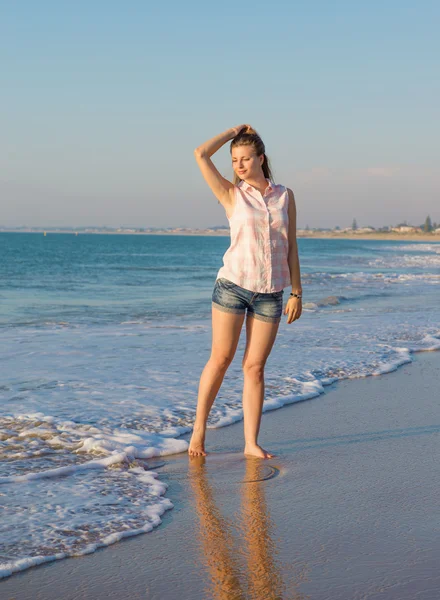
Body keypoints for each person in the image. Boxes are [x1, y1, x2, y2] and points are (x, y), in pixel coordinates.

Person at [188, 125, 302, 459]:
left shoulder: (285, 196)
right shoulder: (230, 194)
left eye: (245, 158)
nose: (238, 165)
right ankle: (199, 430)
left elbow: (291, 245)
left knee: (254, 368)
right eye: (234, 159)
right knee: (221, 359)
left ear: (260, 158)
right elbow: (200, 154)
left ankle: (251, 443)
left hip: (271, 293)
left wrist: (296, 291)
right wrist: (233, 131)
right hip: (233, 287)